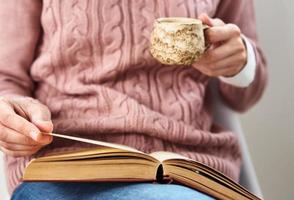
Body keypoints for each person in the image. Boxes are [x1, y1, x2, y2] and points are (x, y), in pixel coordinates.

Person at [0, 0, 267, 199]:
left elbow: (246, 94)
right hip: (65, 166)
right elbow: (6, 77)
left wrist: (239, 62)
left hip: (189, 167)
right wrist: (13, 117)